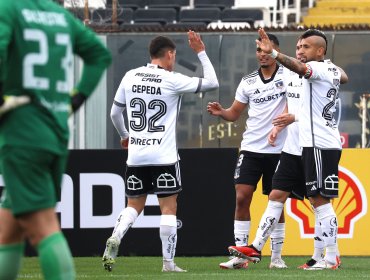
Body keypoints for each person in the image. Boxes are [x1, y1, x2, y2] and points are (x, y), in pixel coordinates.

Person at [0, 0, 112, 279]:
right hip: (55, 128)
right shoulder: (59, 16)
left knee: (43, 227)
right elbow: (99, 55)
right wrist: (75, 99)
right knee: (8, 228)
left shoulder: (8, 9)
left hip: (22, 129)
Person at [229, 28, 345, 270]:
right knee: (276, 195)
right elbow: (300, 100)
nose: (300, 51)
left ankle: (331, 257)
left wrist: (272, 52)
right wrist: (279, 125)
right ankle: (256, 247)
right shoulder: (297, 72)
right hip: (295, 145)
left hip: (319, 144)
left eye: (306, 47)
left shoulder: (320, 68)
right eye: (299, 47)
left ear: (320, 51)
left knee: (319, 200)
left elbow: (326, 73)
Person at [102, 31, 219, 273]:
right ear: (169, 54)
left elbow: (115, 113)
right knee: (168, 208)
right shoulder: (172, 79)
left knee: (134, 205)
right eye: (173, 56)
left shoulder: (130, 76)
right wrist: (201, 52)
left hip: (136, 156)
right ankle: (168, 263)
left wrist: (125, 136)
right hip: (164, 157)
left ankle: (116, 236)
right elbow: (212, 83)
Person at [207, 33, 290, 270]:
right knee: (242, 197)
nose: (262, 54)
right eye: (258, 50)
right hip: (251, 148)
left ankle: (276, 257)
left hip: (280, 149)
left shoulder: (288, 76)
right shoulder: (248, 81)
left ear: (275, 51)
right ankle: (240, 256)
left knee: (276, 204)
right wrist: (221, 111)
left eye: (266, 50)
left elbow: (294, 104)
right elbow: (234, 114)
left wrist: (279, 126)